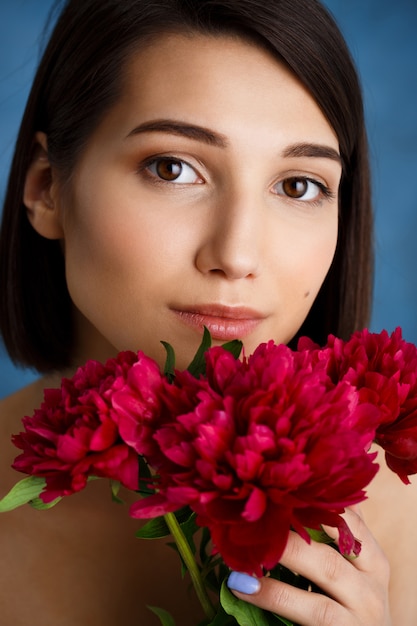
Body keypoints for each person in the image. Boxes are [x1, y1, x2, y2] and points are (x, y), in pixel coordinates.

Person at [0, 0, 415, 623]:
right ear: (46, 188)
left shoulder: (399, 511)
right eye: (173, 169)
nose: (237, 254)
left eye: (299, 185)